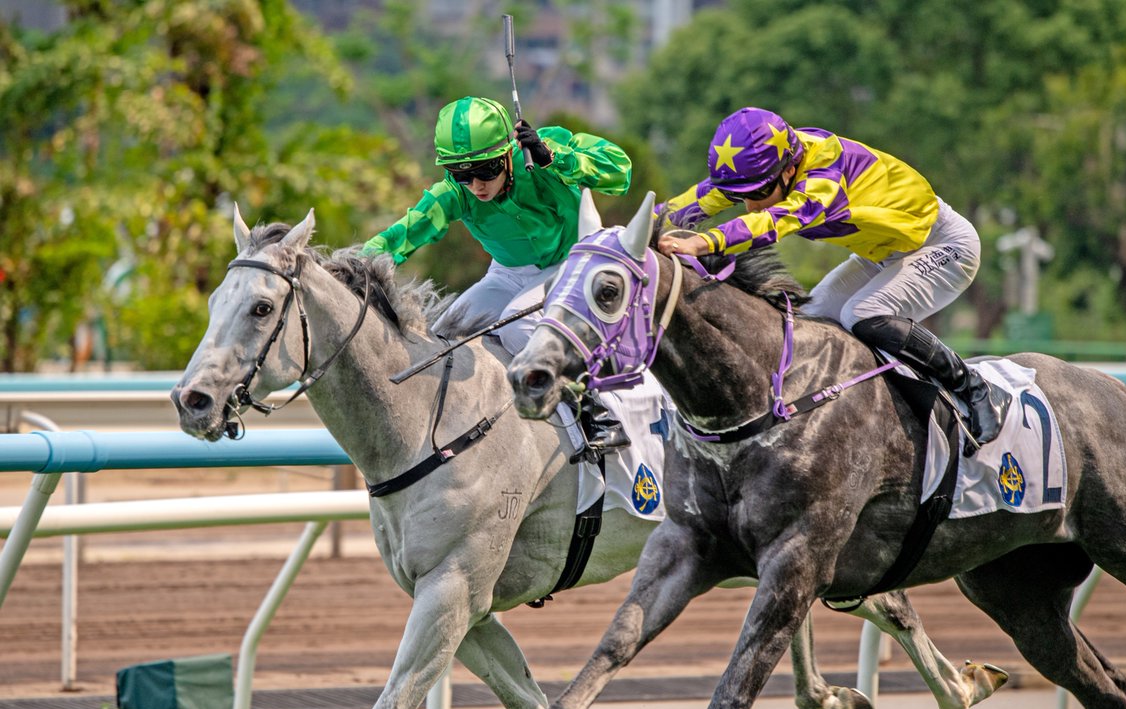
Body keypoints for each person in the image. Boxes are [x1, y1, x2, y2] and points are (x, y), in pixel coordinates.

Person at [656, 107, 1008, 453]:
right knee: (808, 325)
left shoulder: (824, 173)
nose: (750, 206)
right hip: (881, 253)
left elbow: (775, 221)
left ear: (789, 169)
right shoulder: (770, 166)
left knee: (863, 314)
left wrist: (703, 242)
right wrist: (642, 231)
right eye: (741, 196)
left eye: (758, 194)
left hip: (944, 245)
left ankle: (973, 388)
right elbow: (694, 203)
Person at [361, 96, 634, 454]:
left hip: (572, 264)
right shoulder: (453, 193)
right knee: (445, 336)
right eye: (461, 174)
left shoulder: (545, 148)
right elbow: (403, 234)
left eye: (486, 170)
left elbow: (621, 172)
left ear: (508, 152)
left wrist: (555, 158)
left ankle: (600, 413)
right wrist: (351, 264)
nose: (476, 185)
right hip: (507, 273)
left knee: (515, 326)